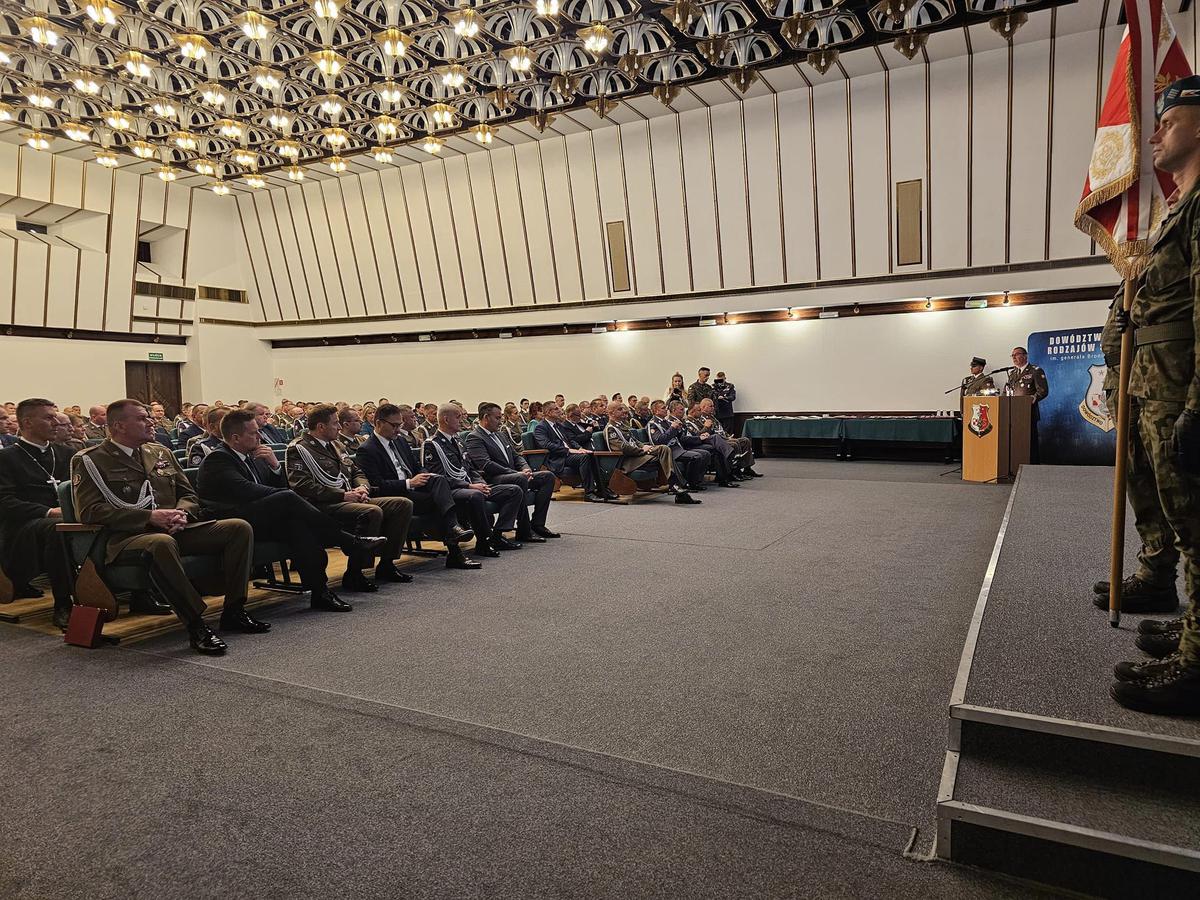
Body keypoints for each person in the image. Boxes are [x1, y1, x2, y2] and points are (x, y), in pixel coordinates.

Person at [1107, 77, 1200, 715]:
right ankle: (1196, 634)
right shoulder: (1181, 209)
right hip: (1157, 384)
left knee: (1197, 525)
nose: (1155, 134)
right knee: (1181, 516)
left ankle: (1198, 666)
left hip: (1180, 386)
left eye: (1169, 121)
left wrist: (1198, 404)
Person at [71, 399, 254, 656]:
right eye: (142, 418)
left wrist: (182, 513)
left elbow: (188, 493)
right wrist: (149, 517)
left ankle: (234, 609)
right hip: (128, 538)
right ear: (119, 426)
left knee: (238, 528)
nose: (151, 422)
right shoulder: (91, 460)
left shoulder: (160, 452)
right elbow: (89, 511)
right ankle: (196, 624)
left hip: (174, 528)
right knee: (161, 543)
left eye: (149, 417)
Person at [197, 409, 387, 613]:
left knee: (300, 529)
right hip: (229, 521)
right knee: (287, 498)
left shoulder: (252, 455)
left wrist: (275, 466)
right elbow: (248, 490)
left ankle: (321, 592)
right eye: (253, 433)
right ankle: (348, 540)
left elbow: (275, 486)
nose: (260, 436)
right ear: (235, 438)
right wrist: (285, 495)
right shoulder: (218, 459)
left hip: (257, 516)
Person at [1092, 286, 1180, 615]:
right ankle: (1154, 573)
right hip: (1127, 376)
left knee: (1174, 488)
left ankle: (1160, 576)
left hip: (1158, 376)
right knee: (1139, 481)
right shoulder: (1136, 269)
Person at [285, 404, 414, 593]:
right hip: (322, 505)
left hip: (349, 498)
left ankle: (387, 563)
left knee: (402, 504)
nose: (339, 427)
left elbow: (356, 471)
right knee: (371, 511)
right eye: (335, 423)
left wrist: (362, 487)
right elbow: (302, 485)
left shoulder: (336, 445)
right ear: (321, 427)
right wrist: (343, 495)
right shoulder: (299, 449)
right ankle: (355, 572)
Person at [356, 404, 480, 570]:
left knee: (438, 480)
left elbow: (417, 466)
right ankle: (454, 541)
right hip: (395, 494)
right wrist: (409, 483)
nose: (398, 430)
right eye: (394, 425)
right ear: (379, 423)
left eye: (400, 425)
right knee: (439, 502)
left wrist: (424, 475)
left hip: (414, 490)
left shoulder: (400, 441)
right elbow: (376, 485)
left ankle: (453, 530)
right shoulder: (367, 449)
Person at [0, 399, 76, 628]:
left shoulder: (67, 453)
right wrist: (48, 512)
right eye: (49, 418)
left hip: (67, 517)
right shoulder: (6, 458)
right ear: (27, 423)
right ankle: (63, 603)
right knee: (57, 529)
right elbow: (5, 502)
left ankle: (134, 593)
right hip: (24, 526)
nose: (56, 423)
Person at [421, 404, 525, 556]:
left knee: (514, 491)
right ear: (446, 419)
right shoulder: (432, 445)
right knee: (475, 495)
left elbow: (470, 469)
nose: (462, 420)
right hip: (452, 490)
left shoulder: (458, 441)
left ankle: (497, 536)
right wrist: (470, 486)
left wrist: (480, 482)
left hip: (471, 484)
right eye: (458, 417)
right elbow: (438, 478)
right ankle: (483, 542)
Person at [465, 402, 559, 541]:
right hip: (493, 478)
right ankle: (524, 530)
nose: (501, 421)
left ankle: (538, 524)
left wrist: (525, 468)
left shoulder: (500, 434)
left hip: (512, 474)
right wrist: (514, 473)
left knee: (548, 476)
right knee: (520, 479)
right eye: (497, 418)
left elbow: (516, 456)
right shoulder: (475, 437)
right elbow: (486, 465)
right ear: (486, 417)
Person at [604, 401, 698, 504]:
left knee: (664, 449)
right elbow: (622, 448)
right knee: (664, 455)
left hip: (638, 457)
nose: (624, 411)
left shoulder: (622, 426)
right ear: (611, 413)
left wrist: (643, 446)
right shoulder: (611, 429)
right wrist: (642, 450)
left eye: (623, 408)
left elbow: (635, 441)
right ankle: (677, 487)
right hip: (629, 461)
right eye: (619, 409)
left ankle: (675, 485)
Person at [534, 402, 613, 503]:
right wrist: (568, 450)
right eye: (556, 409)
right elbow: (546, 444)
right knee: (584, 457)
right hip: (557, 458)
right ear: (549, 412)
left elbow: (570, 440)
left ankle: (602, 490)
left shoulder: (558, 425)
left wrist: (579, 448)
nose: (560, 410)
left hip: (568, 455)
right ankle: (589, 493)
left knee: (591, 454)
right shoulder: (541, 427)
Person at [647, 400, 709, 492]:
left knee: (705, 453)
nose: (666, 409)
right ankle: (689, 484)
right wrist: (672, 428)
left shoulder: (667, 422)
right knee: (696, 456)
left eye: (666, 407)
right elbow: (659, 440)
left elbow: (680, 437)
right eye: (663, 408)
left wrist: (680, 429)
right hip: (668, 451)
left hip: (678, 448)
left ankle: (696, 481)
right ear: (656, 411)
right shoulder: (653, 424)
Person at [1005, 347, 1049, 464]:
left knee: (1030, 442)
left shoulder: (1035, 371)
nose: (1014, 357)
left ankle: (1033, 466)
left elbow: (1043, 390)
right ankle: (1016, 463)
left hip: (1028, 412)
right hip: (1013, 414)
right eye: (1012, 355)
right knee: (1015, 441)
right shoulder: (1012, 374)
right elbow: (1006, 391)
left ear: (1025, 356)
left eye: (1016, 354)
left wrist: (1034, 398)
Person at [698, 398, 761, 477]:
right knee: (735, 443)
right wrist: (726, 438)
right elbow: (709, 434)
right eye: (711, 406)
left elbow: (721, 429)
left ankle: (747, 468)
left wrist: (728, 436)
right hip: (718, 441)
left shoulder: (712, 417)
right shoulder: (702, 419)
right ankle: (735, 471)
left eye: (713, 406)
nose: (713, 408)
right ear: (703, 407)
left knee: (745, 440)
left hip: (724, 437)